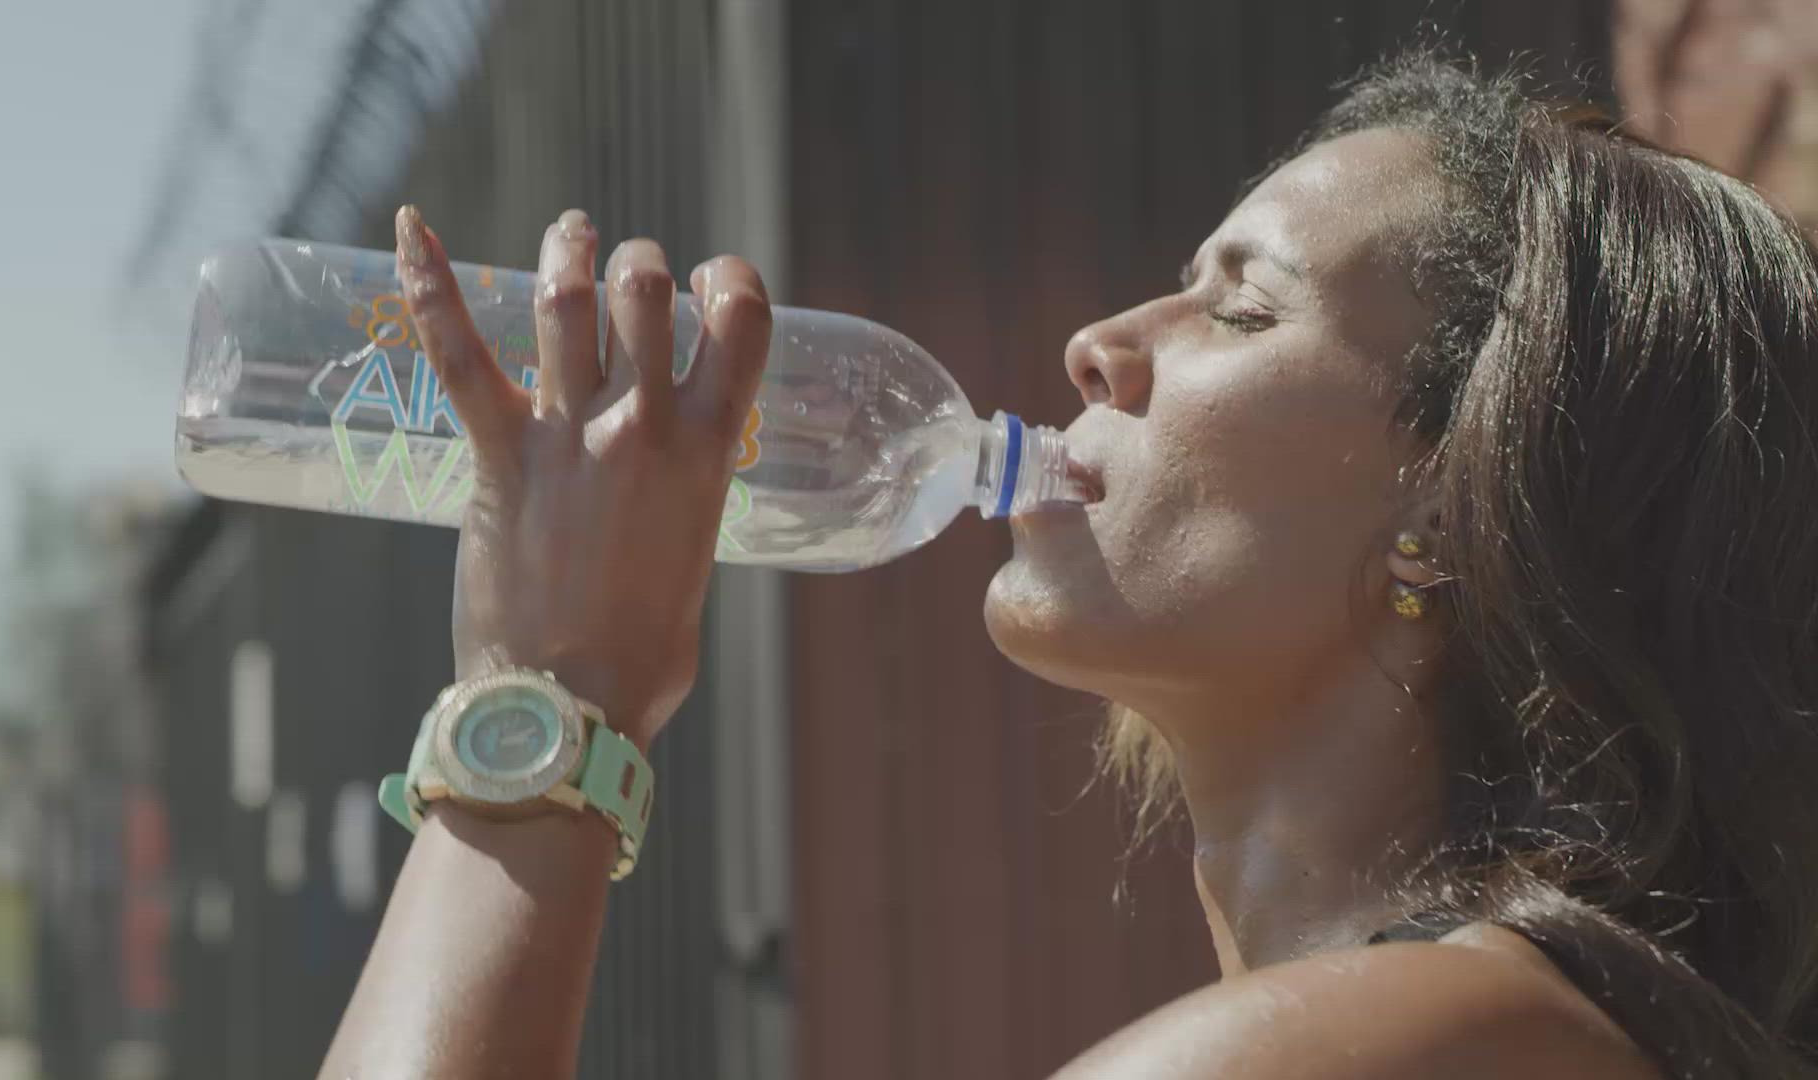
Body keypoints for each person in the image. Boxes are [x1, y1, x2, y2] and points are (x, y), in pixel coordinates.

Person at [316, 44, 1818, 1079]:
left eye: (1239, 312)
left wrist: (545, 700)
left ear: (1461, 502)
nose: (1096, 349)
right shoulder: (1481, 1030)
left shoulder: (1400, 1049)